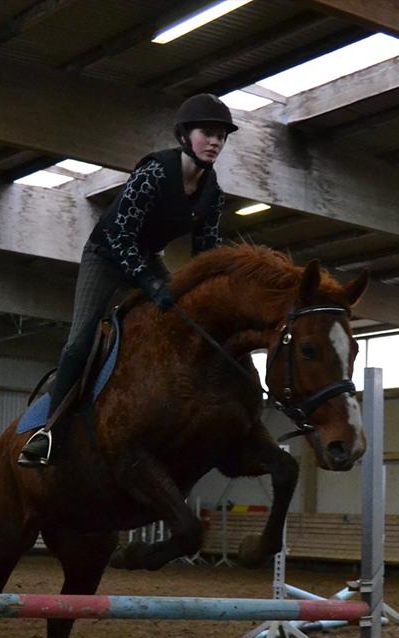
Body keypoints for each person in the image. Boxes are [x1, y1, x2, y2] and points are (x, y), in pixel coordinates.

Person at [18, 93, 238, 467]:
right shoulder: (155, 171)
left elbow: (207, 254)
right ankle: (48, 432)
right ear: (185, 135)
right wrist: (151, 284)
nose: (215, 141)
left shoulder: (212, 192)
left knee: (183, 320)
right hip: (105, 256)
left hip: (147, 259)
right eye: (208, 133)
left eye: (221, 136)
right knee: (80, 341)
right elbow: (120, 234)